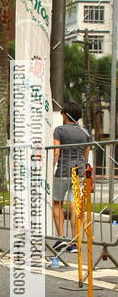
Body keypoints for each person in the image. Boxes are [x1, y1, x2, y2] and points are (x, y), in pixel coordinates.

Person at [52, 101, 91, 253]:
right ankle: (74, 242)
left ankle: (61, 238)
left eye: (62, 114)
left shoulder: (59, 130)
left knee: (57, 203)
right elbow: (85, 154)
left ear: (66, 115)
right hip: (79, 172)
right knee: (75, 205)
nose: (61, 116)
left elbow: (57, 152)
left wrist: (52, 166)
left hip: (62, 172)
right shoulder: (85, 132)